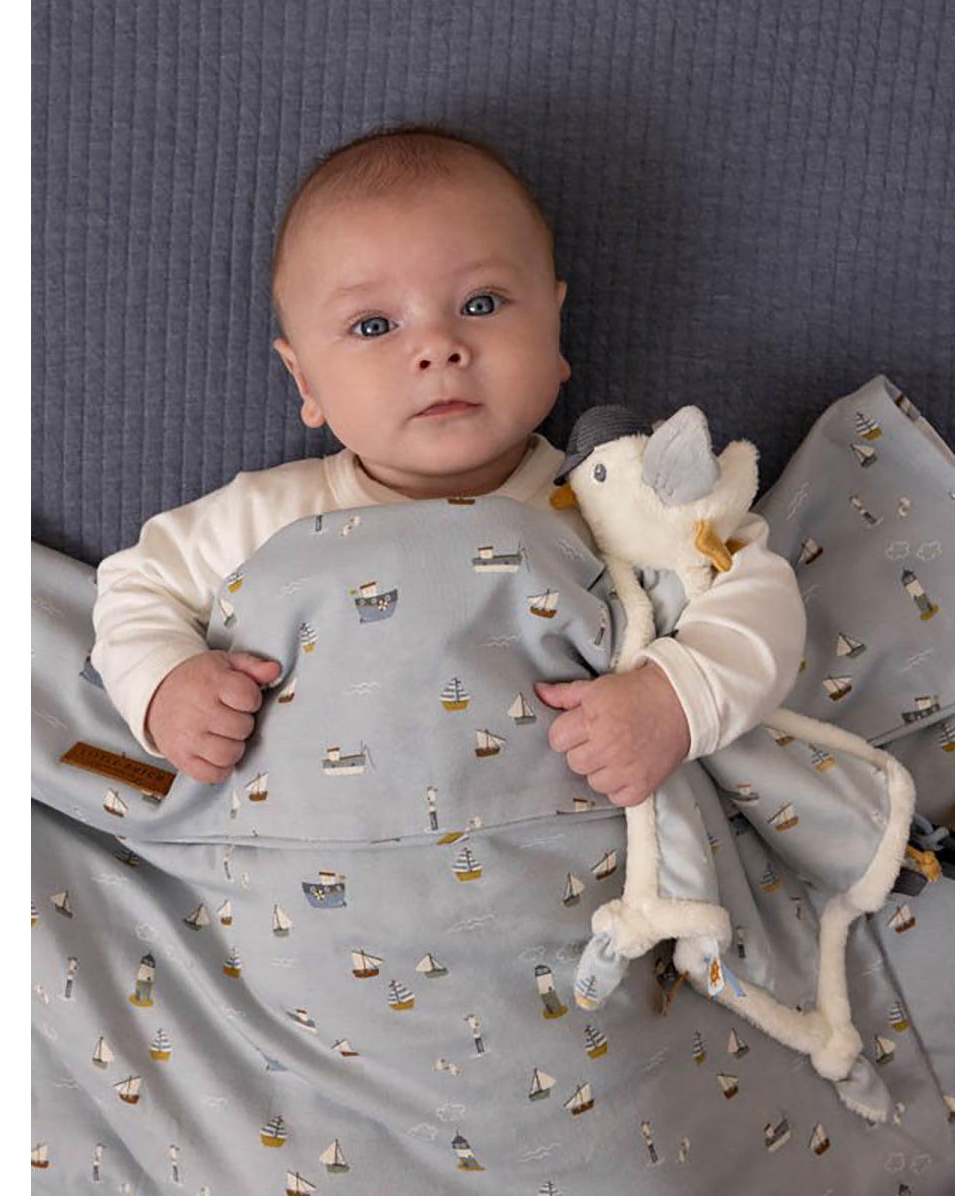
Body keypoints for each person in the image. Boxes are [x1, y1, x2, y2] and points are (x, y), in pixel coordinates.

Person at [91, 124, 804, 804]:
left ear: (554, 330)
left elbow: (753, 590)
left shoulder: (609, 498)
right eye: (374, 325)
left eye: (481, 303)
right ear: (305, 379)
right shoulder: (269, 516)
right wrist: (166, 685)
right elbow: (135, 586)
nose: (437, 346)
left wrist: (672, 698)